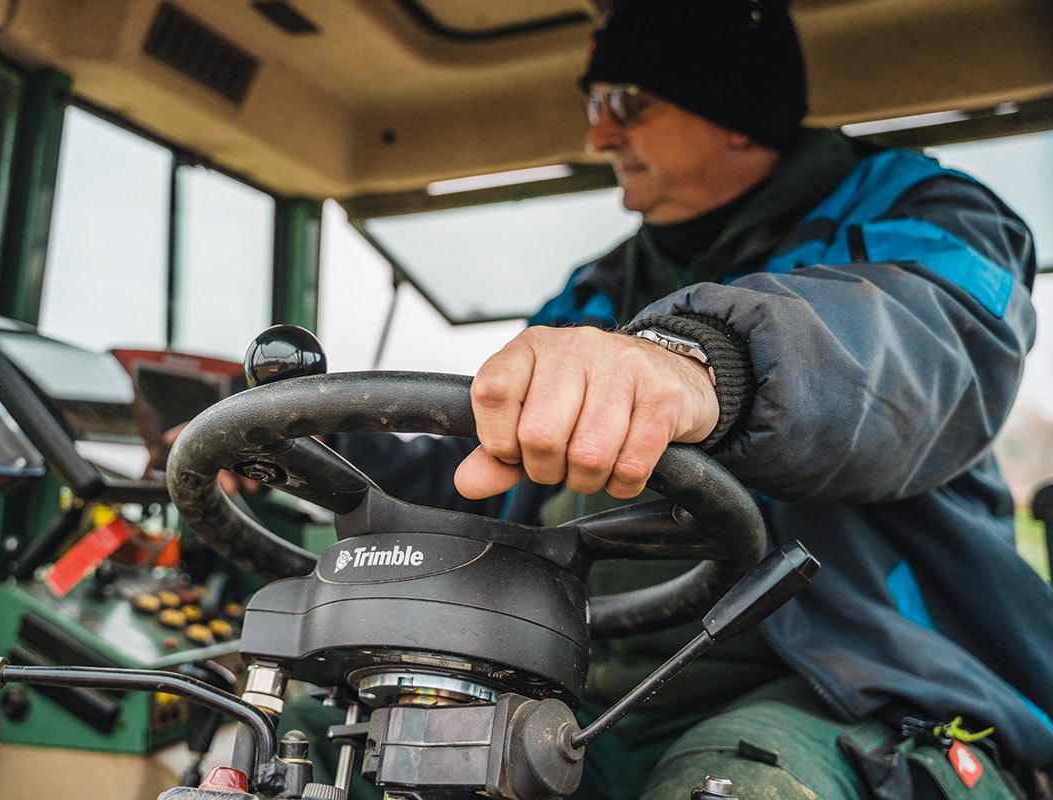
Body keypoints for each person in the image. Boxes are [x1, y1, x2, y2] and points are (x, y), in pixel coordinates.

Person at [278, 1, 1053, 798]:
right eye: (595, 106)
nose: (599, 136)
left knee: (731, 783)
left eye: (625, 103)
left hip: (850, 679)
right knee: (305, 745)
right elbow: (482, 473)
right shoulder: (594, 291)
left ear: (736, 112)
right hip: (589, 676)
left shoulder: (923, 216)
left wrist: (699, 364)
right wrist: (310, 453)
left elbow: (923, 345)